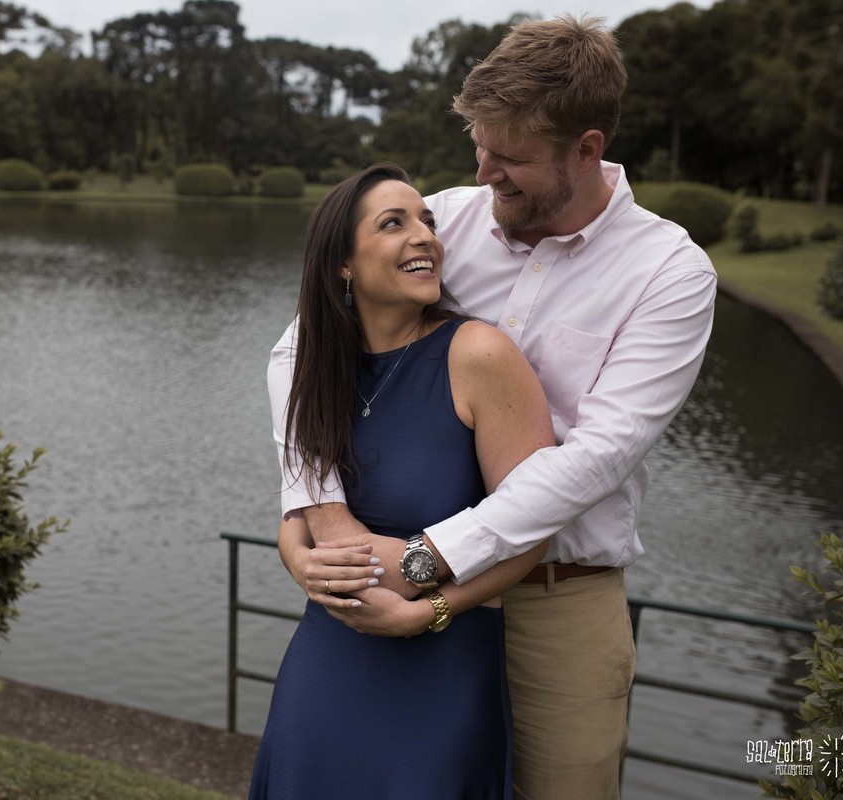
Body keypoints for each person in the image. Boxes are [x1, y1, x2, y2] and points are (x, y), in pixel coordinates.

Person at [267, 15, 718, 800]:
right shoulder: (444, 223)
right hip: (392, 590)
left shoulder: (669, 273)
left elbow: (597, 458)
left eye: (511, 158)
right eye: (481, 145)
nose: (486, 174)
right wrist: (319, 514)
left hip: (556, 604)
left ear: (587, 147)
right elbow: (299, 352)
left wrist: (427, 563)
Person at [248, 163, 555, 799]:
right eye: (394, 224)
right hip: (329, 658)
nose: (425, 237)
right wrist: (297, 557)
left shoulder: (479, 355)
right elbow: (301, 511)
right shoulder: (310, 366)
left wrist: (433, 610)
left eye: (428, 221)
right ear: (344, 265)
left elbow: (531, 534)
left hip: (445, 660)